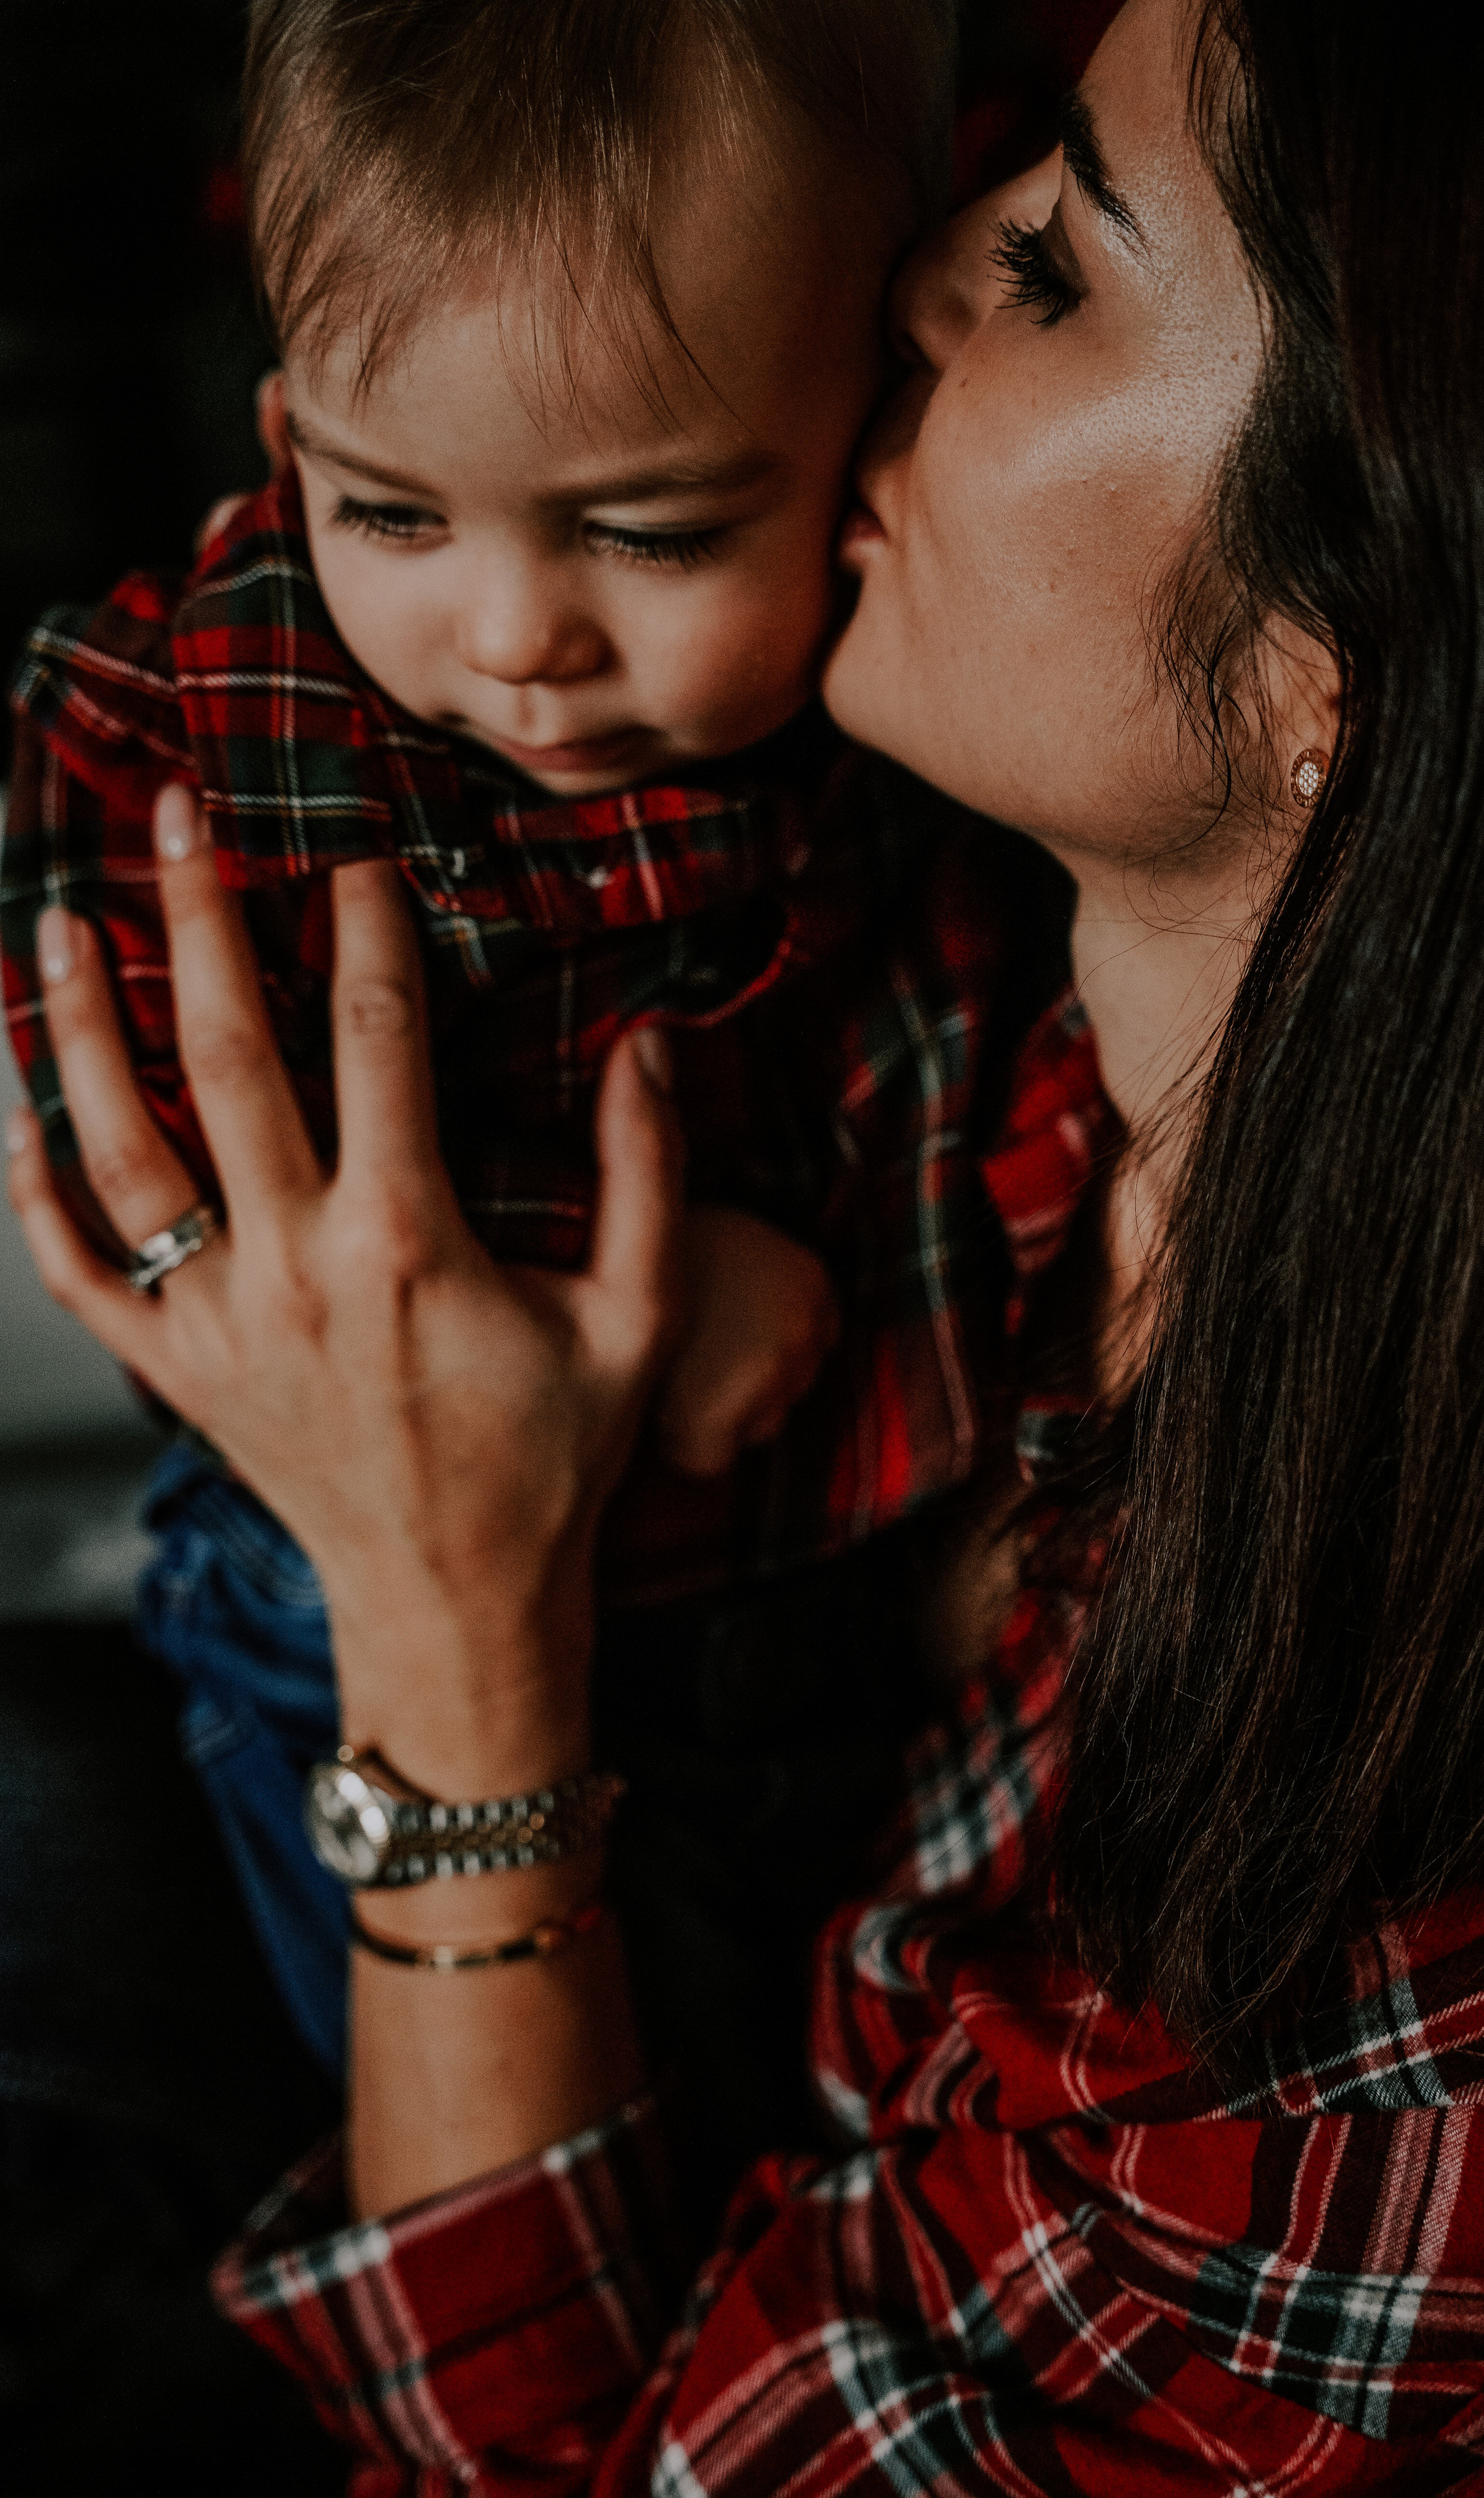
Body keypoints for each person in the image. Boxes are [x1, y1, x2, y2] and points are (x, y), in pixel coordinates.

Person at [12, 0, 1484, 2486]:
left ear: (1346, 665)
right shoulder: (1046, 1065)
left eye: (1056, 261)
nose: (914, 276)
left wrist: (455, 1625)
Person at [0, 0, 1102, 2121]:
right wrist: (628, 1285)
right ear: (287, 438)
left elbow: (985, 1024)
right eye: (391, 513)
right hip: (351, 1618)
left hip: (823, 1591)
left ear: (884, 434)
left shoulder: (913, 702)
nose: (513, 637)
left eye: (654, 533)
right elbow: (160, 1171)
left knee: (771, 2094)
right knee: (481, 2094)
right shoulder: (203, 719)